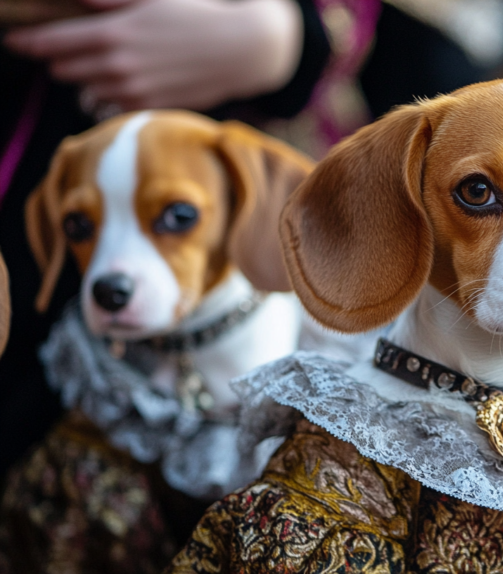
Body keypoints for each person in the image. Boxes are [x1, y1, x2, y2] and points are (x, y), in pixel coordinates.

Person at [0, 0, 378, 480]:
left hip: (244, 77)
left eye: (177, 218)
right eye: (80, 227)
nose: (111, 268)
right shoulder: (84, 369)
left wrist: (286, 36)